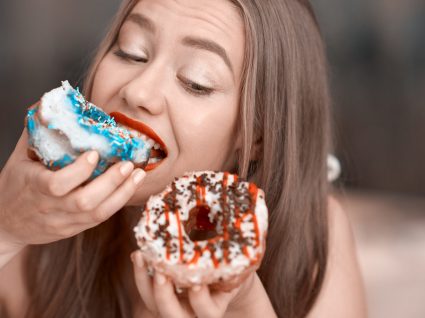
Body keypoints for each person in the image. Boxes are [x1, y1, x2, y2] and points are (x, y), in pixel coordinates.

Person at [0, 0, 367, 317]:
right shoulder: (37, 220)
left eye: (196, 81)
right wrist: (6, 230)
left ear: (255, 137)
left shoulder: (315, 232)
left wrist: (243, 307)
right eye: (131, 52)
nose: (138, 90)